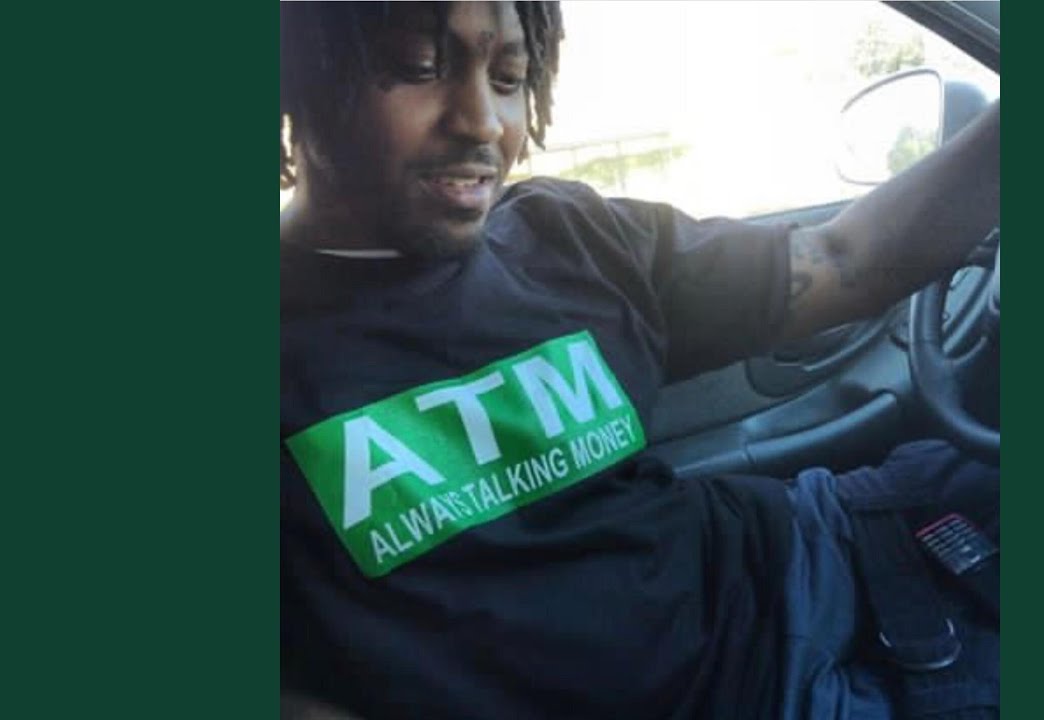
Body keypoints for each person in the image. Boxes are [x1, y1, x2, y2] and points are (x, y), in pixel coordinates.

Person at [279, 3, 1000, 719]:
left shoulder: (568, 237)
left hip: (835, 536)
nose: (484, 122)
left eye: (508, 77)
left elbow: (843, 260)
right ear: (297, 74)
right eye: (419, 68)